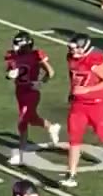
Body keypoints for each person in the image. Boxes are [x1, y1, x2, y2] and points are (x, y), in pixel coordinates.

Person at [62, 33, 103, 187]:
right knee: (74, 138)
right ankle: (71, 175)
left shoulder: (94, 60)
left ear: (84, 47)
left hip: (97, 103)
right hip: (78, 104)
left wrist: (87, 90)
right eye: (71, 49)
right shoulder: (71, 58)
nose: (73, 52)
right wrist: (72, 92)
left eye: (75, 49)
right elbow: (73, 76)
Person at [4, 31, 61, 166]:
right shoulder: (12, 56)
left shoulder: (35, 56)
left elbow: (50, 72)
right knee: (32, 118)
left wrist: (41, 82)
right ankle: (51, 127)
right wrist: (9, 75)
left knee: (23, 119)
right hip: (20, 91)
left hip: (31, 91)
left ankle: (21, 152)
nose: (16, 48)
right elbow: (10, 72)